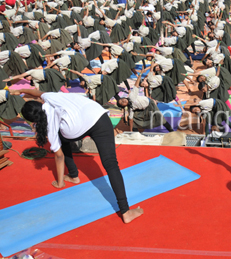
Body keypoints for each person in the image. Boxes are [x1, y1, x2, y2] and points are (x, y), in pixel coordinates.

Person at [15, 89, 143, 223]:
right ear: (38, 104)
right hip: (98, 117)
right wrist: (22, 90)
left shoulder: (51, 127)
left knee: (62, 139)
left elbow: (59, 156)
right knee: (111, 164)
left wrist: (60, 183)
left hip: (76, 128)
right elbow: (37, 92)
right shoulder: (49, 97)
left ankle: (73, 175)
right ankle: (125, 211)